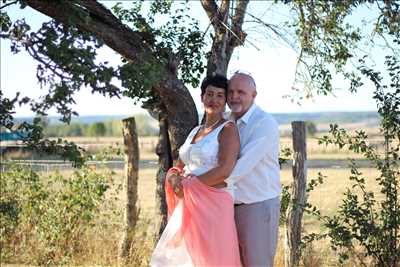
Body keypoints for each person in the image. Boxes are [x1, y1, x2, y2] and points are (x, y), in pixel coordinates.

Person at [150, 74, 241, 267]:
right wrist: (174, 176)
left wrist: (188, 185)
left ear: (225, 101)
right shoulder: (195, 131)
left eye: (219, 96)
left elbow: (225, 169)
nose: (213, 100)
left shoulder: (228, 129)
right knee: (176, 258)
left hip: (214, 202)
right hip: (189, 201)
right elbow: (182, 163)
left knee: (212, 259)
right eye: (209, 94)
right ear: (202, 97)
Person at [227, 71, 281, 267]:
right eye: (231, 91)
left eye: (240, 92)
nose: (234, 96)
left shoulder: (264, 123)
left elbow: (241, 167)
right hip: (227, 207)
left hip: (257, 207)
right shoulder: (226, 120)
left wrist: (202, 185)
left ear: (254, 95)